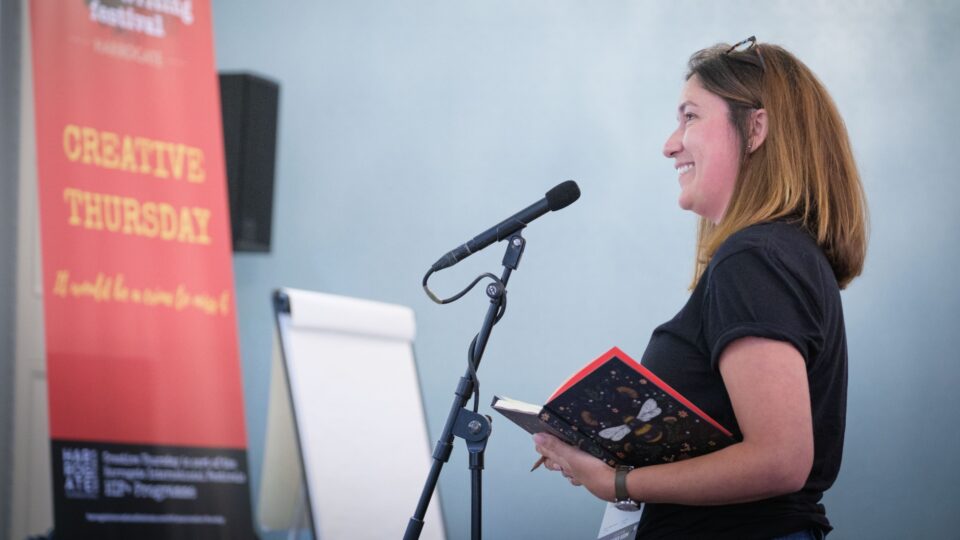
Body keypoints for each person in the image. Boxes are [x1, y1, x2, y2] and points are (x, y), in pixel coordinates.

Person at [532, 37, 867, 539]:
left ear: (755, 129)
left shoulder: (753, 259)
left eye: (690, 117)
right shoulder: (779, 255)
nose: (670, 144)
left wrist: (618, 481)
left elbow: (780, 460)